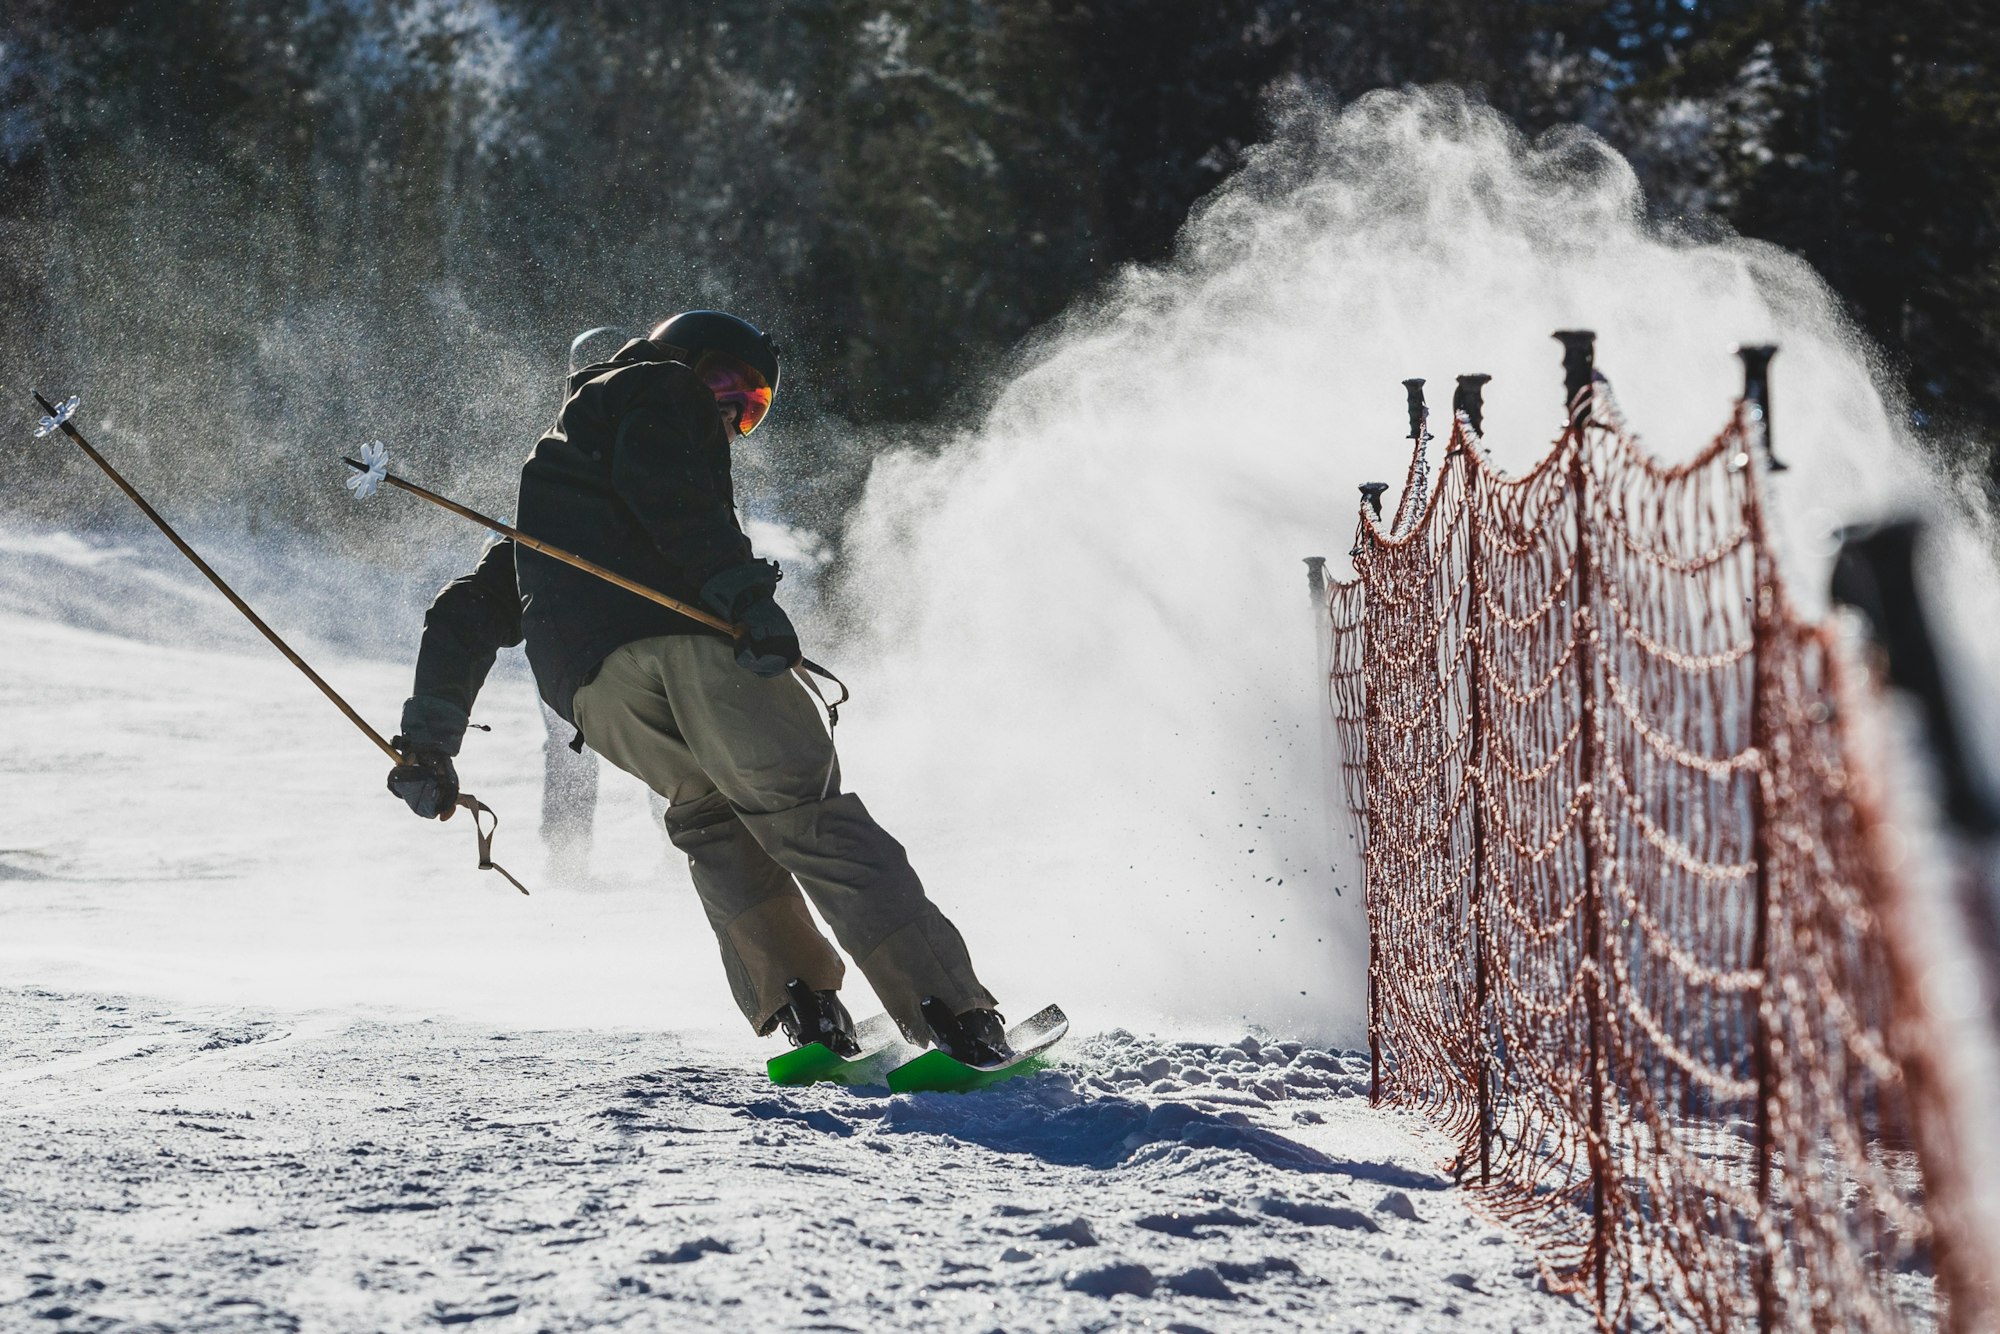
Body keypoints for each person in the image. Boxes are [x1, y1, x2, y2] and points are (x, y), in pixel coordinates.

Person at [382, 311, 1009, 1065]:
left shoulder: (554, 474)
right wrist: (745, 599)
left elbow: (467, 611)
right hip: (695, 648)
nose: (727, 411)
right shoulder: (660, 388)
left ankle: (806, 1009)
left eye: (751, 408)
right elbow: (672, 497)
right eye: (725, 383)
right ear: (681, 356)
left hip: (595, 693)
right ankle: (953, 1014)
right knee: (806, 815)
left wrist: (429, 742)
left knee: (714, 824)